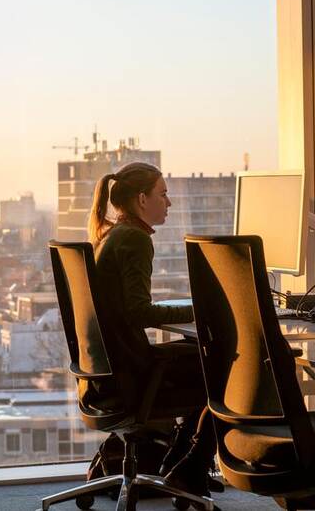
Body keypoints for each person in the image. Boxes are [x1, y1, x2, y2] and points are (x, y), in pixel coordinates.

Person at [87, 161, 217, 498]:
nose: (169, 203)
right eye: (163, 194)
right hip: (132, 372)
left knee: (205, 355)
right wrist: (203, 307)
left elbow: (130, 308)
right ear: (142, 199)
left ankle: (181, 462)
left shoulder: (113, 234)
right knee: (222, 364)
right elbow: (138, 311)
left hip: (109, 369)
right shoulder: (134, 239)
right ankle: (187, 466)